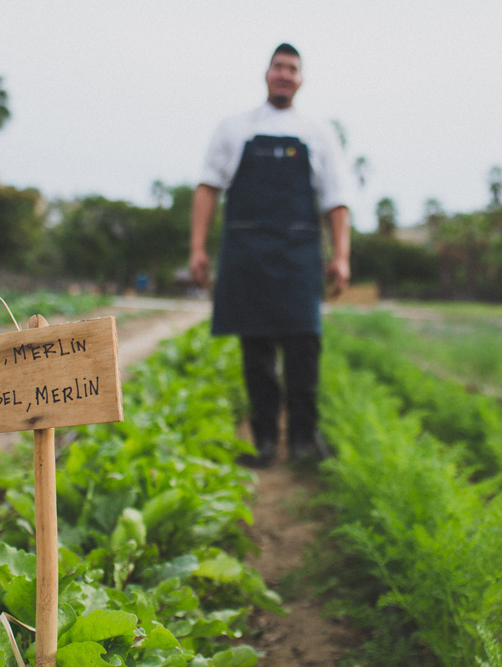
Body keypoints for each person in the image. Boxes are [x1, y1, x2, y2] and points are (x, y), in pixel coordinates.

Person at [189, 43, 351, 467]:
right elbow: (208, 187)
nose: (284, 74)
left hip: (299, 256)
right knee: (256, 354)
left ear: (301, 79)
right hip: (247, 256)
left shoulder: (319, 132)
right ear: (266, 74)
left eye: (292, 69)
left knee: (303, 350)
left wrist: (341, 256)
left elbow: (336, 200)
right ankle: (263, 442)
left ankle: (302, 440)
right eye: (278, 66)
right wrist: (198, 249)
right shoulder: (234, 127)